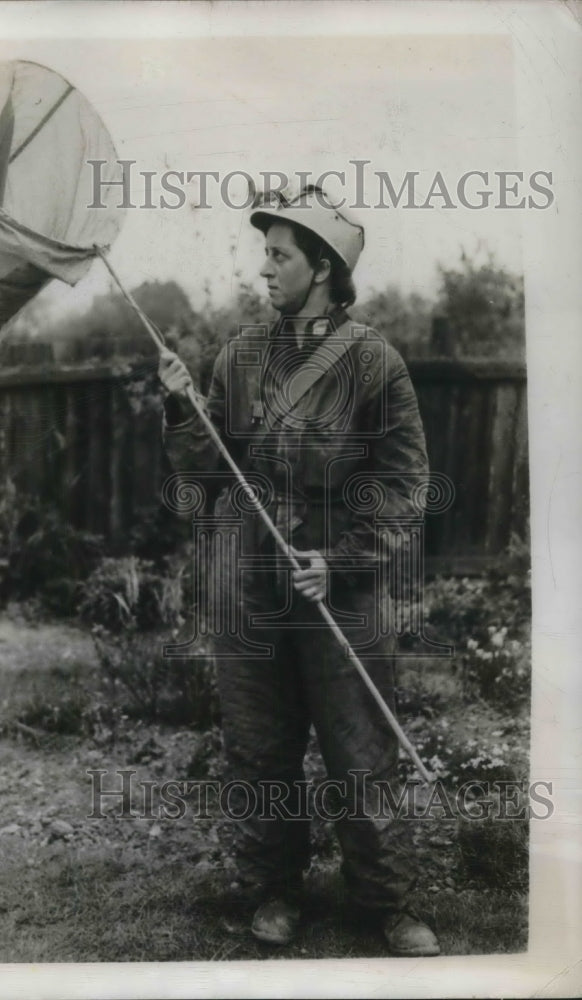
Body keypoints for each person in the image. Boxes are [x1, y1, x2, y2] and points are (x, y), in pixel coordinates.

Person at [157, 188, 440, 957]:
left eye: (280, 254)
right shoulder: (238, 358)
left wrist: (341, 560)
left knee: (361, 750)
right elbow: (205, 472)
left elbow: (404, 486)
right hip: (249, 583)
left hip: (339, 588)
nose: (265, 268)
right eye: (265, 253)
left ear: (323, 267)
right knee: (258, 745)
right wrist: (184, 408)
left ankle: (388, 903)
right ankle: (274, 893)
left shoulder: (375, 363)